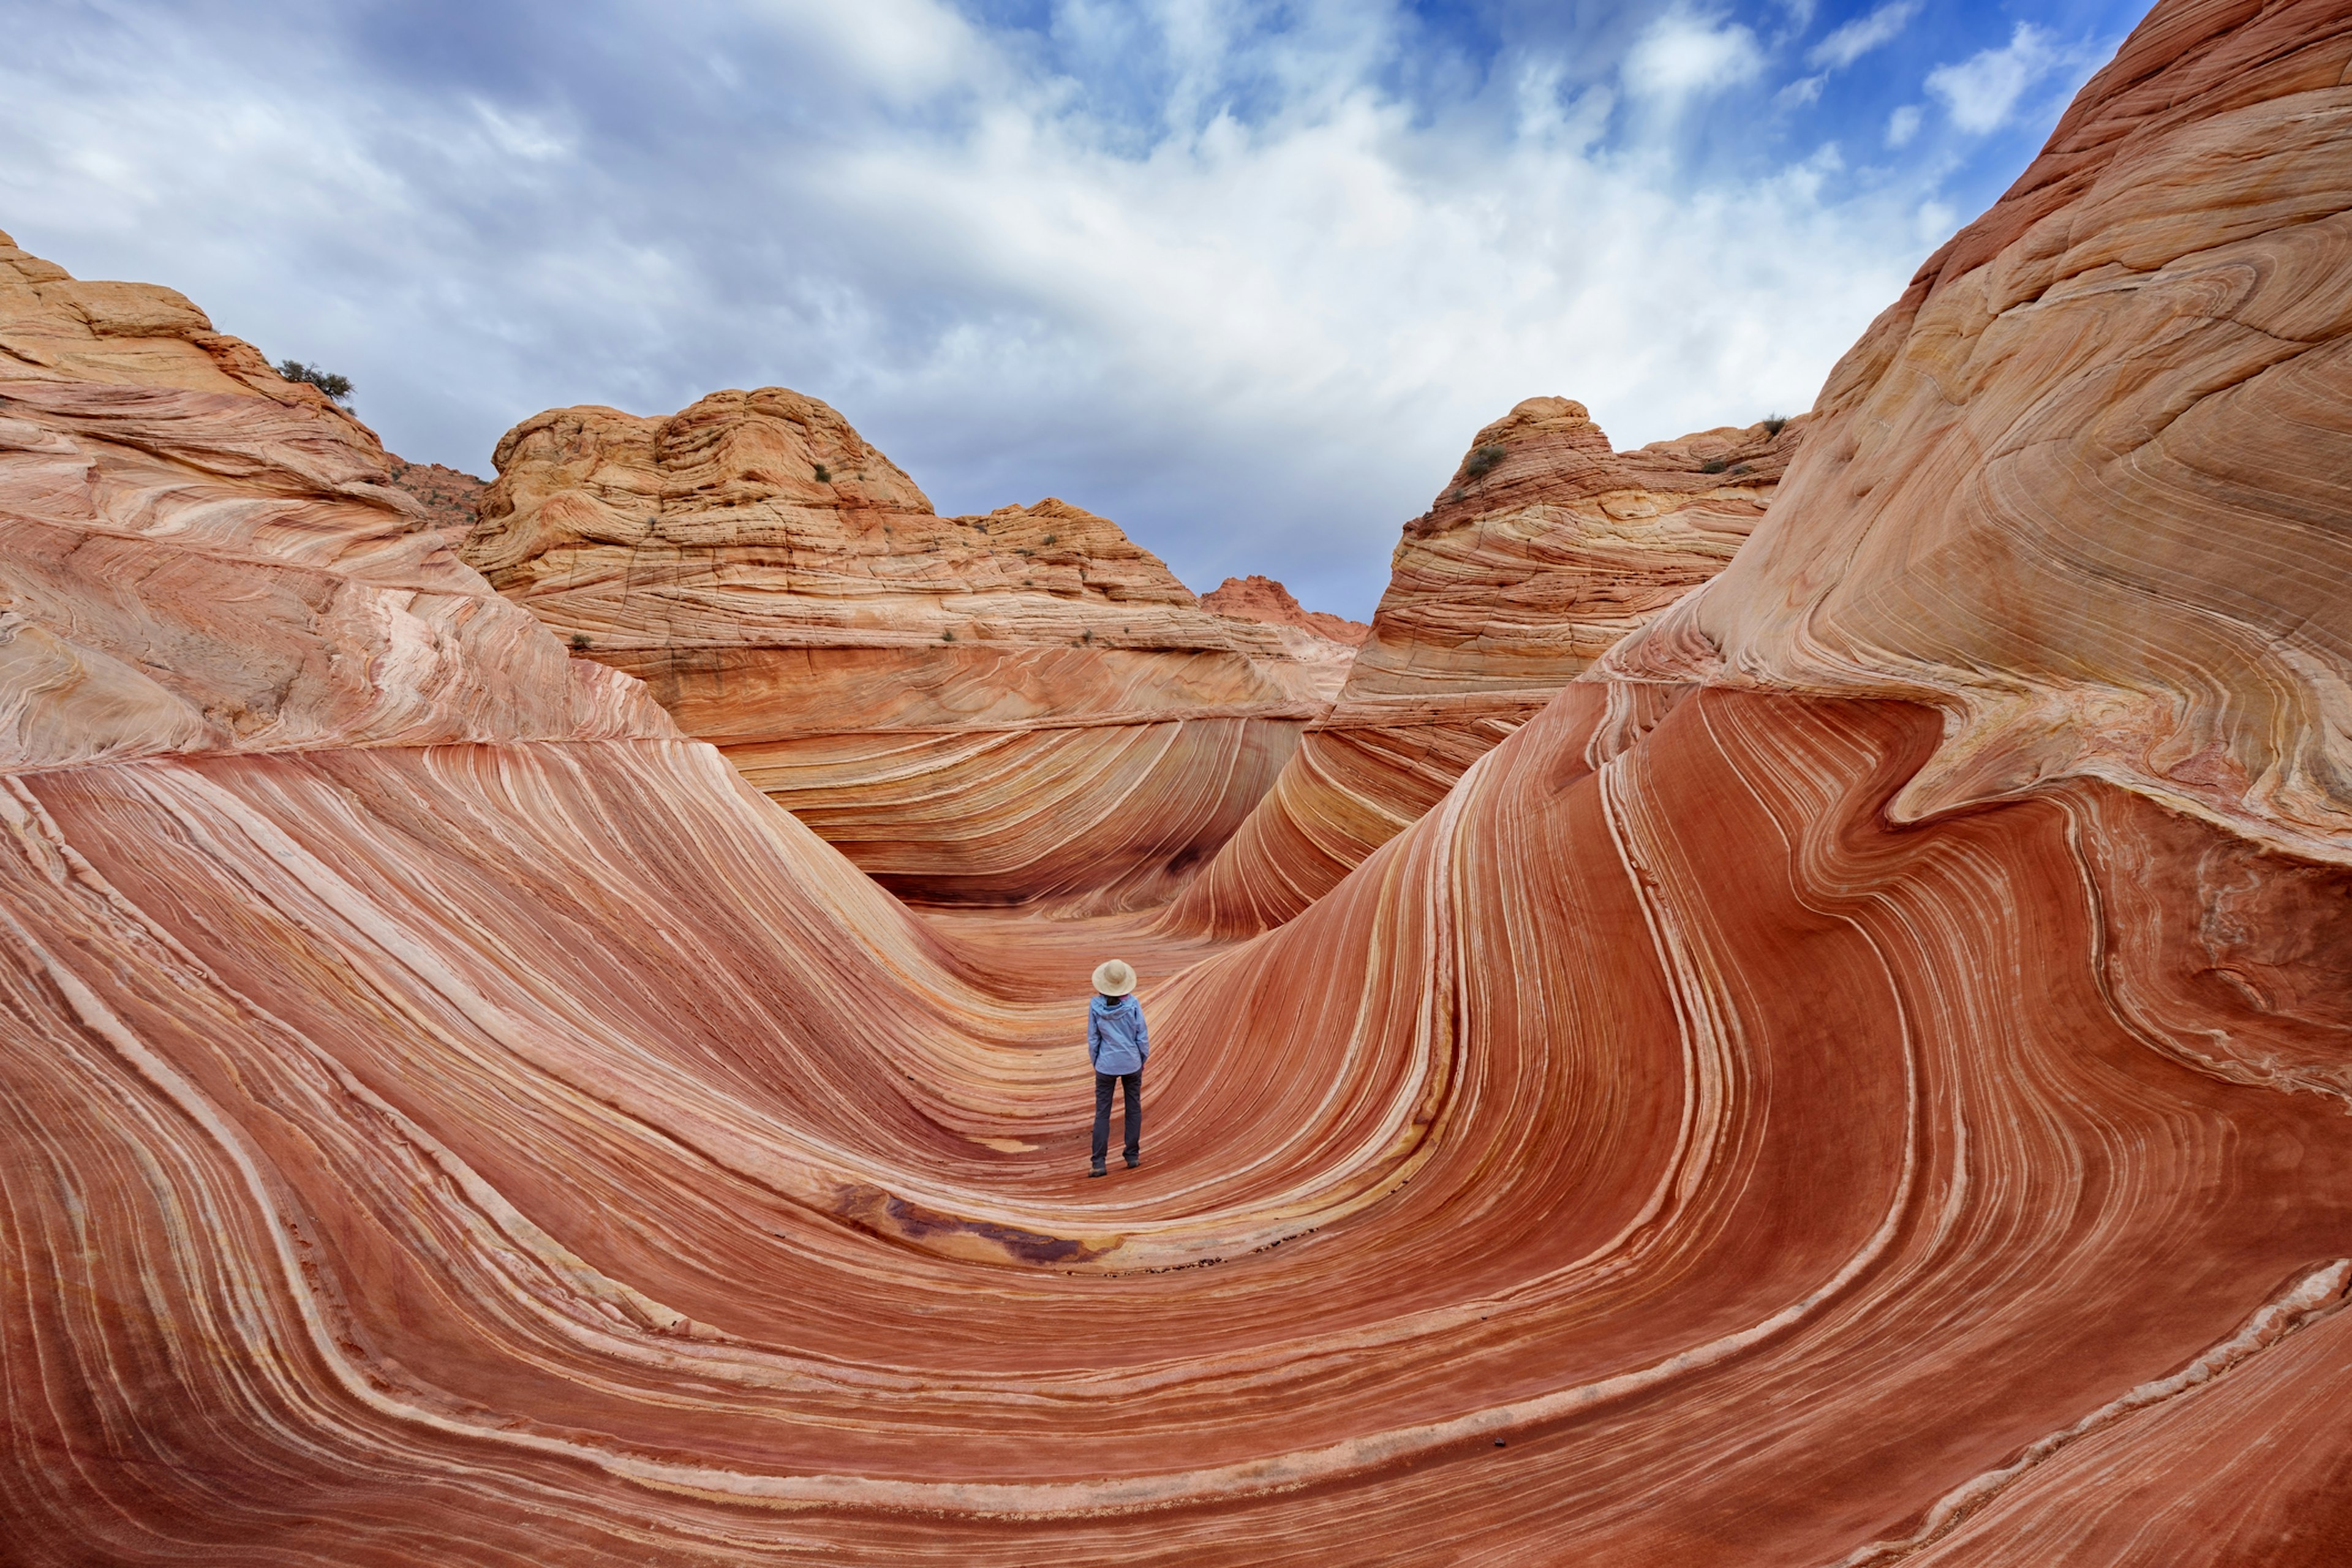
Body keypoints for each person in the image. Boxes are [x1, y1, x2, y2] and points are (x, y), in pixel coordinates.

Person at [1085, 959, 1148, 1177]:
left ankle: (1099, 1163)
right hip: (1131, 1062)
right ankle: (1132, 1156)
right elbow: (1142, 1036)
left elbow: (1094, 1039)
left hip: (1106, 1065)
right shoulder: (1133, 1005)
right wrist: (1141, 1060)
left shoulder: (1095, 1007)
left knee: (1102, 1112)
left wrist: (1097, 1062)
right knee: (1133, 1108)